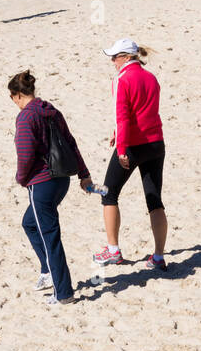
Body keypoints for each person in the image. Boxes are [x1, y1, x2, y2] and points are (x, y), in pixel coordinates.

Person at [9, 69, 93, 306]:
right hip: (62, 179)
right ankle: (48, 270)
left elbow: (25, 154)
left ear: (16, 96)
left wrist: (21, 178)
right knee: (30, 223)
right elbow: (71, 142)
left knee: (50, 236)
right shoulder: (52, 111)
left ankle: (63, 292)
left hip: (41, 183)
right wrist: (84, 174)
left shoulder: (26, 117)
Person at [92, 39, 168, 272]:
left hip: (133, 145)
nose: (112, 62)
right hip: (155, 143)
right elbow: (143, 109)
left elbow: (124, 115)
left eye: (114, 57)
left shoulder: (122, 79)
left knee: (108, 193)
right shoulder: (151, 77)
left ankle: (113, 251)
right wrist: (117, 132)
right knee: (154, 199)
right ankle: (158, 257)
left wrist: (122, 147)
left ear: (126, 57)